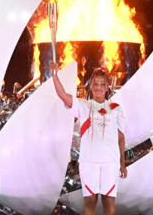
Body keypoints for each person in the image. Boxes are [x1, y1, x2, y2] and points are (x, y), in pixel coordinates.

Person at [51, 61, 127, 215]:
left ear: (107, 87)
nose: (98, 87)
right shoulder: (83, 106)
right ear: (91, 86)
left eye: (102, 84)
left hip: (110, 162)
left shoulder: (116, 109)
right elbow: (63, 95)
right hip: (89, 162)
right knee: (90, 202)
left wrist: (122, 163)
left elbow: (120, 137)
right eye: (95, 84)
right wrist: (54, 75)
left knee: (109, 203)